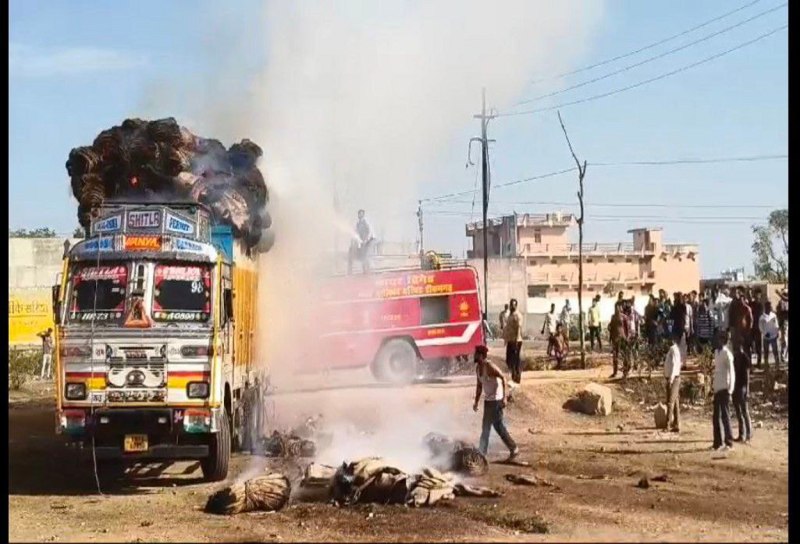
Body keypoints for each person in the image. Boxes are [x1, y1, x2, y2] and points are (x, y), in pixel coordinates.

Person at [473, 345, 519, 460]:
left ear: (481, 356)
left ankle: (483, 452)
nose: (474, 355)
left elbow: (503, 377)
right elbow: (479, 386)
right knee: (491, 427)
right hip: (488, 401)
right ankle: (484, 452)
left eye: (476, 354)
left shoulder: (489, 366)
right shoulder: (478, 368)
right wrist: (476, 402)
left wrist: (504, 398)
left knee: (494, 427)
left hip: (496, 400)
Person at [712, 330, 736, 452]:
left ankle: (729, 442)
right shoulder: (716, 352)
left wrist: (730, 390)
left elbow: (731, 373)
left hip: (725, 389)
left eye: (718, 338)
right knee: (716, 416)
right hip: (717, 388)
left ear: (722, 340)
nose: (716, 340)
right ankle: (717, 442)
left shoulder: (727, 354)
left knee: (725, 416)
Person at [732, 342, 752, 444]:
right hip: (736, 387)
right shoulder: (735, 358)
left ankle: (748, 434)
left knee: (744, 411)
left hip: (742, 387)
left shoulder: (745, 358)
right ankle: (741, 434)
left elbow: (747, 377)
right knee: (739, 412)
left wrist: (747, 390)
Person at [663, 331, 683, 433]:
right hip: (673, 378)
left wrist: (670, 379)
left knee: (670, 402)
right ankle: (676, 424)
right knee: (675, 402)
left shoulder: (673, 349)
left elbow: (675, 365)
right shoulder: (673, 350)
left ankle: (667, 425)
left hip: (673, 378)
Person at [728, 287, 752, 361]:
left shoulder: (747, 308)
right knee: (737, 347)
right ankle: (738, 363)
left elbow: (751, 320)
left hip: (745, 331)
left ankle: (748, 363)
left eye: (742, 299)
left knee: (746, 348)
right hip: (737, 330)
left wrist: (749, 330)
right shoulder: (734, 305)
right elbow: (730, 316)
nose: (741, 301)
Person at [348, 209, 375, 274]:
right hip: (363, 241)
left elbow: (370, 232)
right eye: (359, 214)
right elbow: (356, 233)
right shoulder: (358, 223)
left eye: (361, 214)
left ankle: (368, 270)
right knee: (362, 255)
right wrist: (355, 240)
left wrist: (366, 240)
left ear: (363, 214)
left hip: (369, 240)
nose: (359, 215)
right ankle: (365, 270)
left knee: (366, 255)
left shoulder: (366, 222)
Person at [504, 299, 523, 384]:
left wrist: (516, 340)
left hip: (516, 340)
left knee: (515, 359)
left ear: (516, 305)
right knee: (508, 360)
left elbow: (518, 328)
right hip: (510, 340)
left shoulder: (517, 315)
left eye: (514, 305)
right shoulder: (510, 315)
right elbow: (508, 328)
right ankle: (514, 374)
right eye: (511, 304)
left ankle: (517, 376)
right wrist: (506, 339)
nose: (512, 306)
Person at [608, 305, 630, 379]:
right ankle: (615, 372)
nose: (617, 309)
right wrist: (610, 338)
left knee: (624, 356)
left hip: (622, 338)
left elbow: (627, 329)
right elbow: (611, 328)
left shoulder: (624, 317)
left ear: (621, 308)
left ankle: (625, 372)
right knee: (615, 355)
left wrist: (627, 338)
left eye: (618, 307)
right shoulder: (613, 317)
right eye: (616, 307)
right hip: (615, 338)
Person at [759, 301, 781, 370]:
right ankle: (766, 366)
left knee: (775, 351)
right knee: (766, 352)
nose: (769, 308)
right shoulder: (762, 317)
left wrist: (777, 332)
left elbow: (776, 324)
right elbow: (760, 327)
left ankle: (777, 366)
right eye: (768, 306)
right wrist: (765, 333)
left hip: (773, 336)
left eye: (770, 306)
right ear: (765, 307)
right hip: (766, 337)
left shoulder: (773, 315)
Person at [748, 289, 764, 367]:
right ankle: (750, 363)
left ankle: (759, 362)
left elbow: (761, 317)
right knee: (750, 345)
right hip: (751, 328)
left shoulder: (761, 305)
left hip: (758, 328)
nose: (757, 296)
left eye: (759, 295)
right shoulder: (751, 304)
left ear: (760, 296)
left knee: (758, 346)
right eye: (756, 294)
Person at [776, 288, 789, 360]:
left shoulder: (785, 300)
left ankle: (785, 355)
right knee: (785, 340)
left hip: (785, 322)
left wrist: (779, 293)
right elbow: (778, 313)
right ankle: (783, 355)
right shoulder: (781, 303)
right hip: (784, 323)